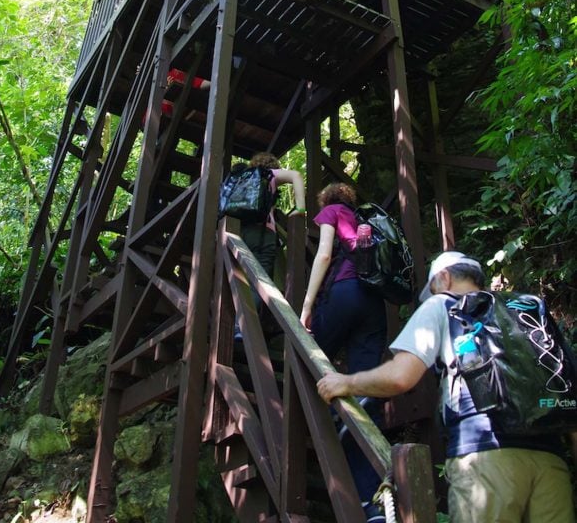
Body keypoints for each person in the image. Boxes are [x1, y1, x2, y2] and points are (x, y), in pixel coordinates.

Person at [316, 250, 577, 523]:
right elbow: (568, 390)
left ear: (443, 278)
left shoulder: (442, 304)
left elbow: (400, 377)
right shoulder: (528, 311)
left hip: (484, 455)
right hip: (551, 460)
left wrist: (347, 382)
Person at [300, 182, 387, 523]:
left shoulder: (331, 212)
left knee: (308, 355)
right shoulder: (367, 222)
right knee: (366, 391)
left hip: (344, 293)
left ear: (327, 201)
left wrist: (306, 306)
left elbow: (323, 254)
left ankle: (314, 421)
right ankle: (372, 499)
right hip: (373, 303)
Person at [239, 152, 306, 285]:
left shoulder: (244, 179)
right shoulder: (270, 174)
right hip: (263, 234)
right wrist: (301, 209)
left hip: (241, 232)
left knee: (241, 281)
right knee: (261, 284)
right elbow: (296, 175)